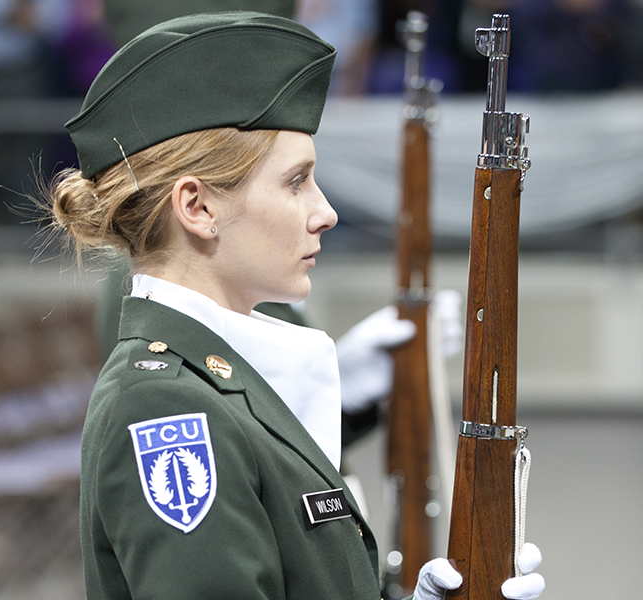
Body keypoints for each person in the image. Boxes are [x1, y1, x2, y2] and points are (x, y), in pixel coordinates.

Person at [46, 12, 545, 600]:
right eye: (295, 182)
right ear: (198, 208)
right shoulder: (167, 409)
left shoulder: (216, 382)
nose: (324, 211)